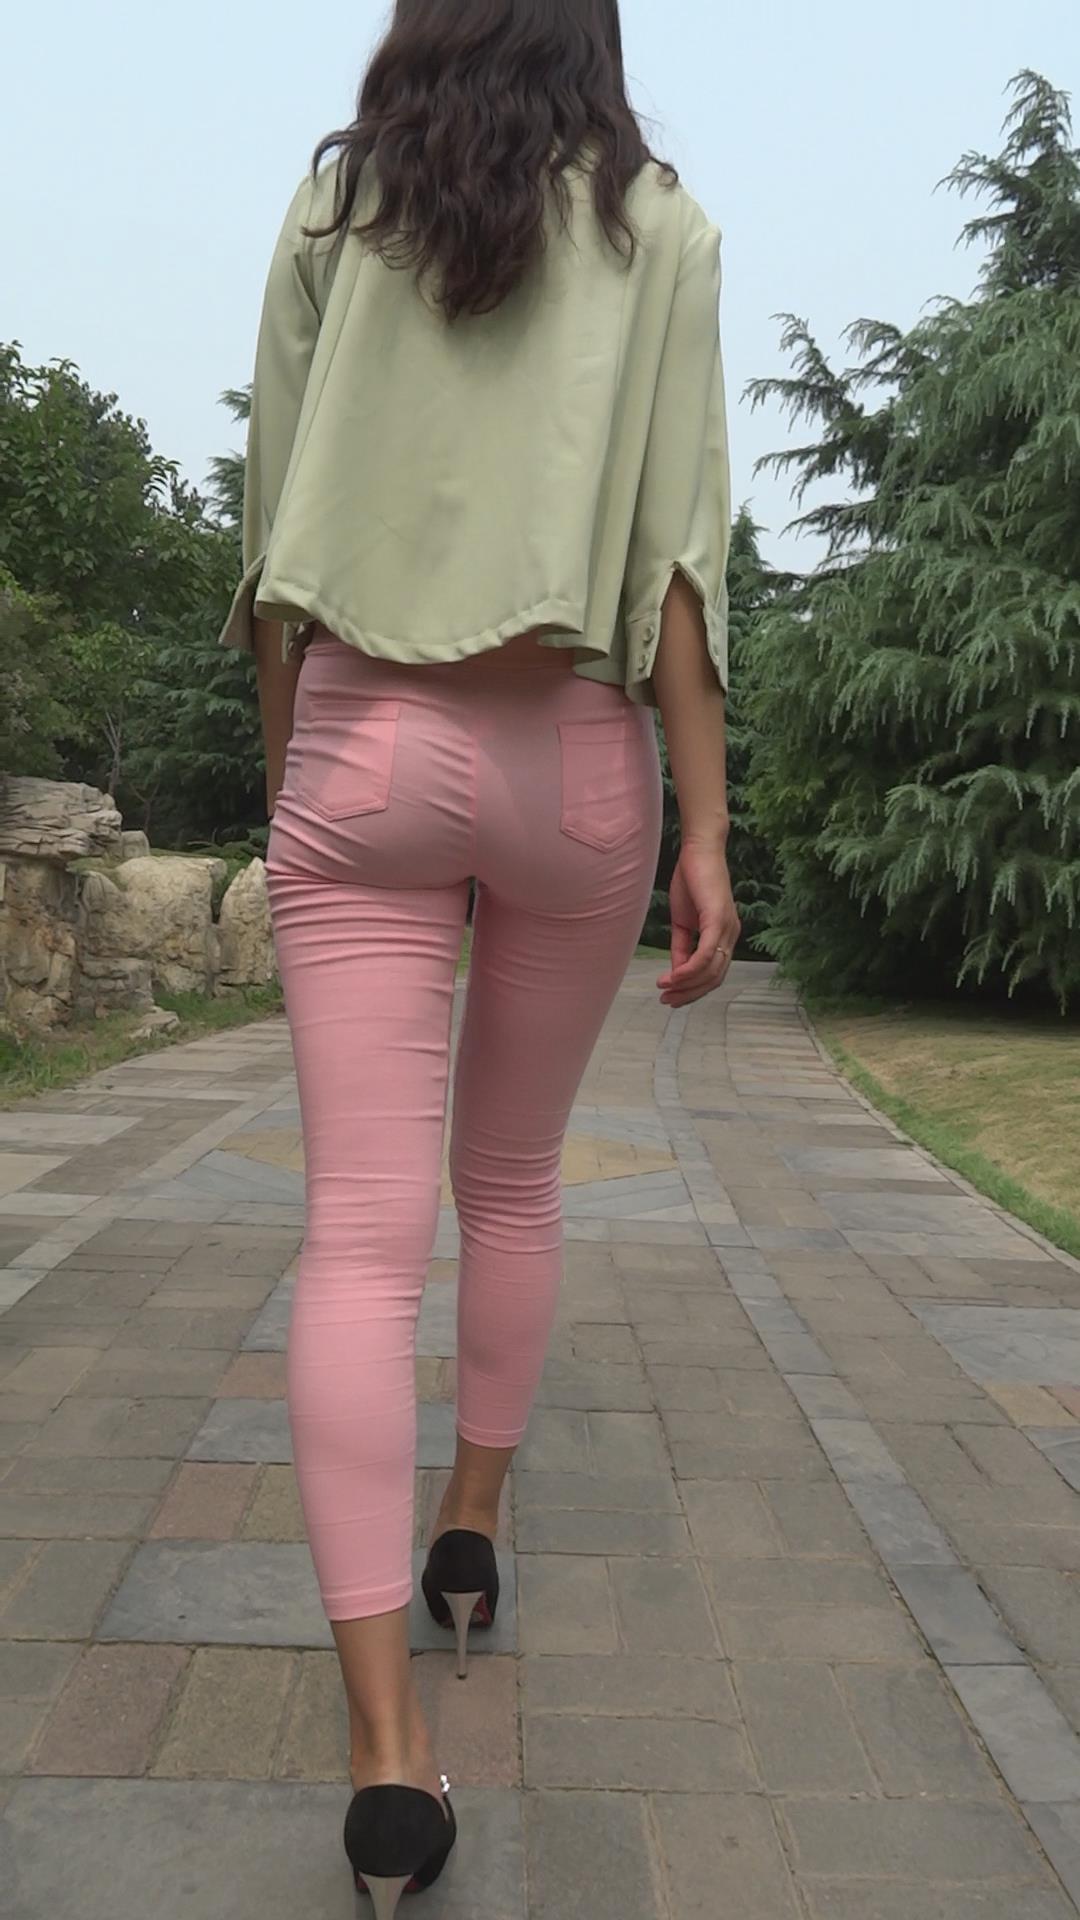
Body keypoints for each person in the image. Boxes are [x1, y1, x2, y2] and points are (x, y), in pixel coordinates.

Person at [221, 0, 739, 1909]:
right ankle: (468, 1532)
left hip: (361, 737)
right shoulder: (663, 226)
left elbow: (271, 538)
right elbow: (677, 558)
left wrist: (293, 778)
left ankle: (386, 1759)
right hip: (575, 754)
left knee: (358, 1241)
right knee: (510, 1181)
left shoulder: (335, 209)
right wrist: (708, 827)